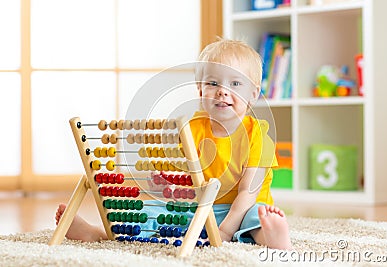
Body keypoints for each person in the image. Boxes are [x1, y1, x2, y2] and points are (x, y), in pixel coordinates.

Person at [55, 38, 292, 250]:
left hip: (239, 210)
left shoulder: (259, 136)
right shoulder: (191, 128)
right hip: (199, 209)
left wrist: (225, 232)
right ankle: (97, 233)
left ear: (253, 94)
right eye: (213, 84)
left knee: (255, 218)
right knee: (150, 211)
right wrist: (164, 183)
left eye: (235, 84)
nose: (222, 92)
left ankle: (273, 237)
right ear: (199, 90)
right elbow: (182, 180)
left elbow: (247, 193)